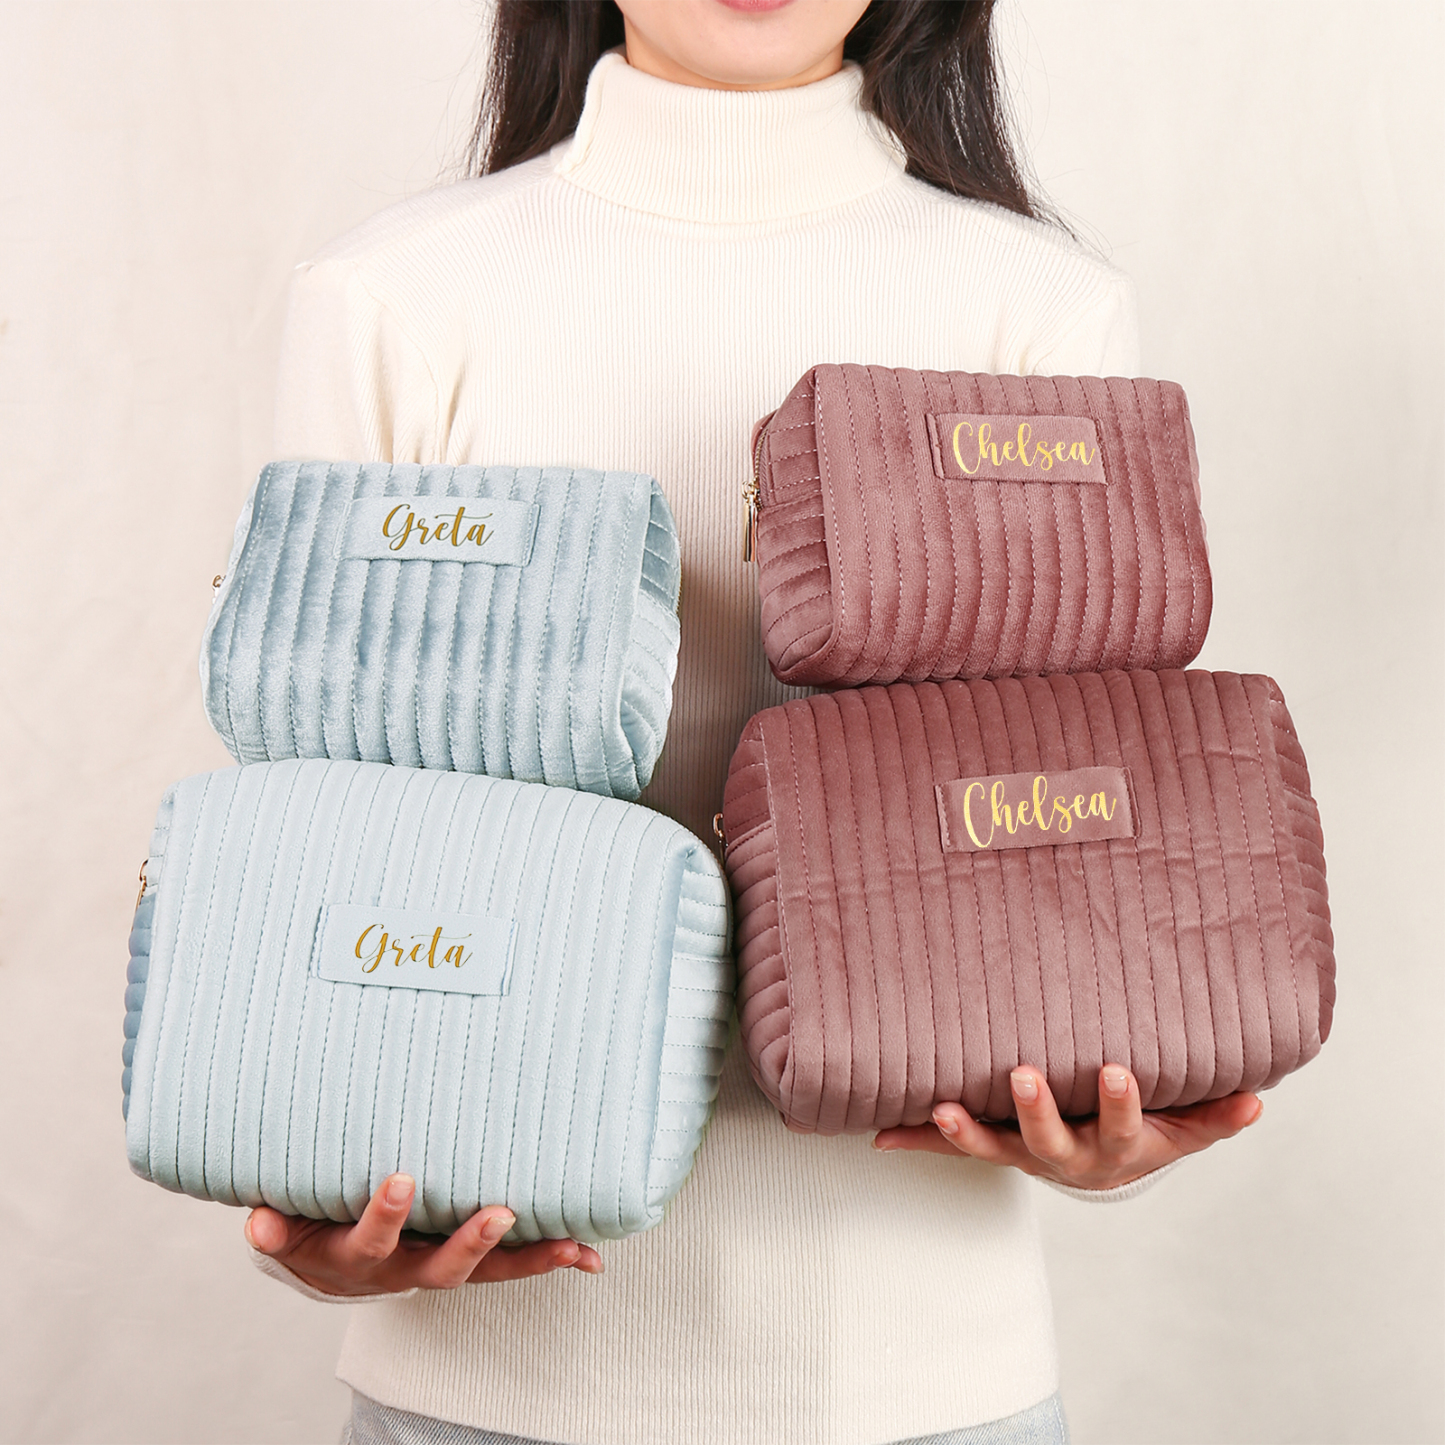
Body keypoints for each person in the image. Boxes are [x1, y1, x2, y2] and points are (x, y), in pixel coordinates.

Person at [244, 3, 1263, 1441]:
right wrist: (307, 1199)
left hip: (921, 1377)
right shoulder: (390, 298)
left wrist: (1109, 1110)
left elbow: (1071, 838)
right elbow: (309, 836)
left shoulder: (1035, 303)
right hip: (483, 1372)